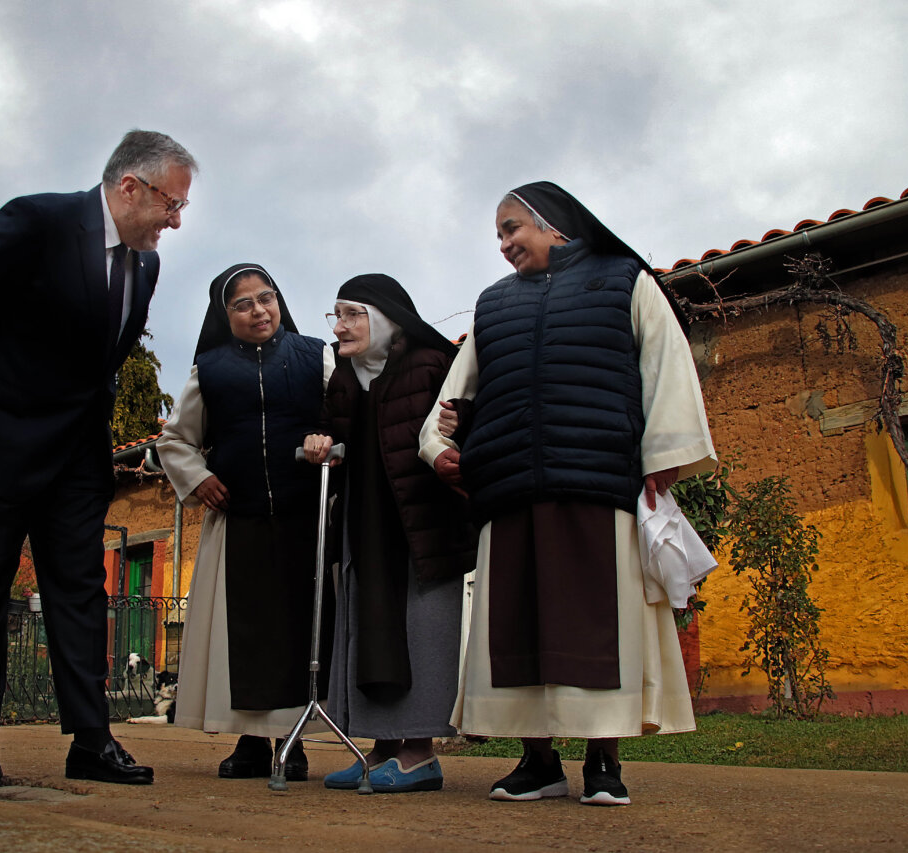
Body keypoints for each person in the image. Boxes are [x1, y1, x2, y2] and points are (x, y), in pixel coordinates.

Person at [420, 181, 715, 806]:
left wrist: (662, 453)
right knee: (517, 628)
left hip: (596, 479)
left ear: (552, 223)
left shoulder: (623, 280)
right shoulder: (492, 307)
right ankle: (537, 761)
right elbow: (454, 395)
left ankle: (603, 762)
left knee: (598, 630)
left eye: (511, 229)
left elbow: (666, 363)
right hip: (509, 488)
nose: (503, 245)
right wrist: (439, 447)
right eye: (498, 235)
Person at [0, 130, 198, 795]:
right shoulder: (38, 222)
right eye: (171, 202)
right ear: (129, 186)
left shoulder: (147, 265)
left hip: (75, 455)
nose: (176, 219)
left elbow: (103, 356)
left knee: (80, 591)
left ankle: (90, 738)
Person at [158, 263, 335, 781]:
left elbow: (346, 416)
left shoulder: (315, 357)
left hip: (308, 517)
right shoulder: (208, 370)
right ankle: (254, 742)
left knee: (301, 629)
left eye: (266, 298)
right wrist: (197, 478)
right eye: (244, 304)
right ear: (224, 314)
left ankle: (293, 740)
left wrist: (327, 440)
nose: (259, 311)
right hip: (241, 521)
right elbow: (175, 440)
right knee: (248, 634)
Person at [302, 274, 476, 793]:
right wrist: (320, 439)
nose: (341, 325)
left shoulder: (429, 364)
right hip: (365, 521)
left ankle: (420, 754)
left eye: (353, 313)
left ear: (386, 318)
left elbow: (459, 424)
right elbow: (336, 429)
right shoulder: (346, 375)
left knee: (422, 630)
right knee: (366, 627)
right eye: (336, 314)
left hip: (422, 526)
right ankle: (378, 747)